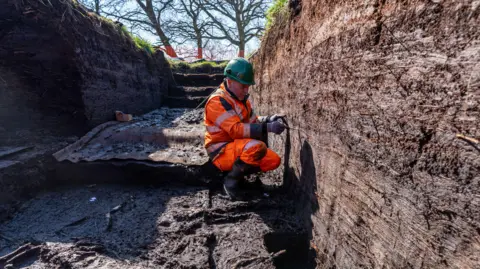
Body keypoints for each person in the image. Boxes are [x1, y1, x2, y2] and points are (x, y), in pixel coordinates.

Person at [203, 57, 287, 199]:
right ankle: (230, 181)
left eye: (248, 86)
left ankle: (239, 175)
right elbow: (236, 130)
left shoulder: (242, 101)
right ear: (229, 82)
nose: (246, 90)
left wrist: (267, 119)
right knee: (257, 147)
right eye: (243, 86)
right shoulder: (217, 101)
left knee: (273, 160)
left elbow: (253, 121)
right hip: (220, 151)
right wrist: (268, 128)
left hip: (237, 147)